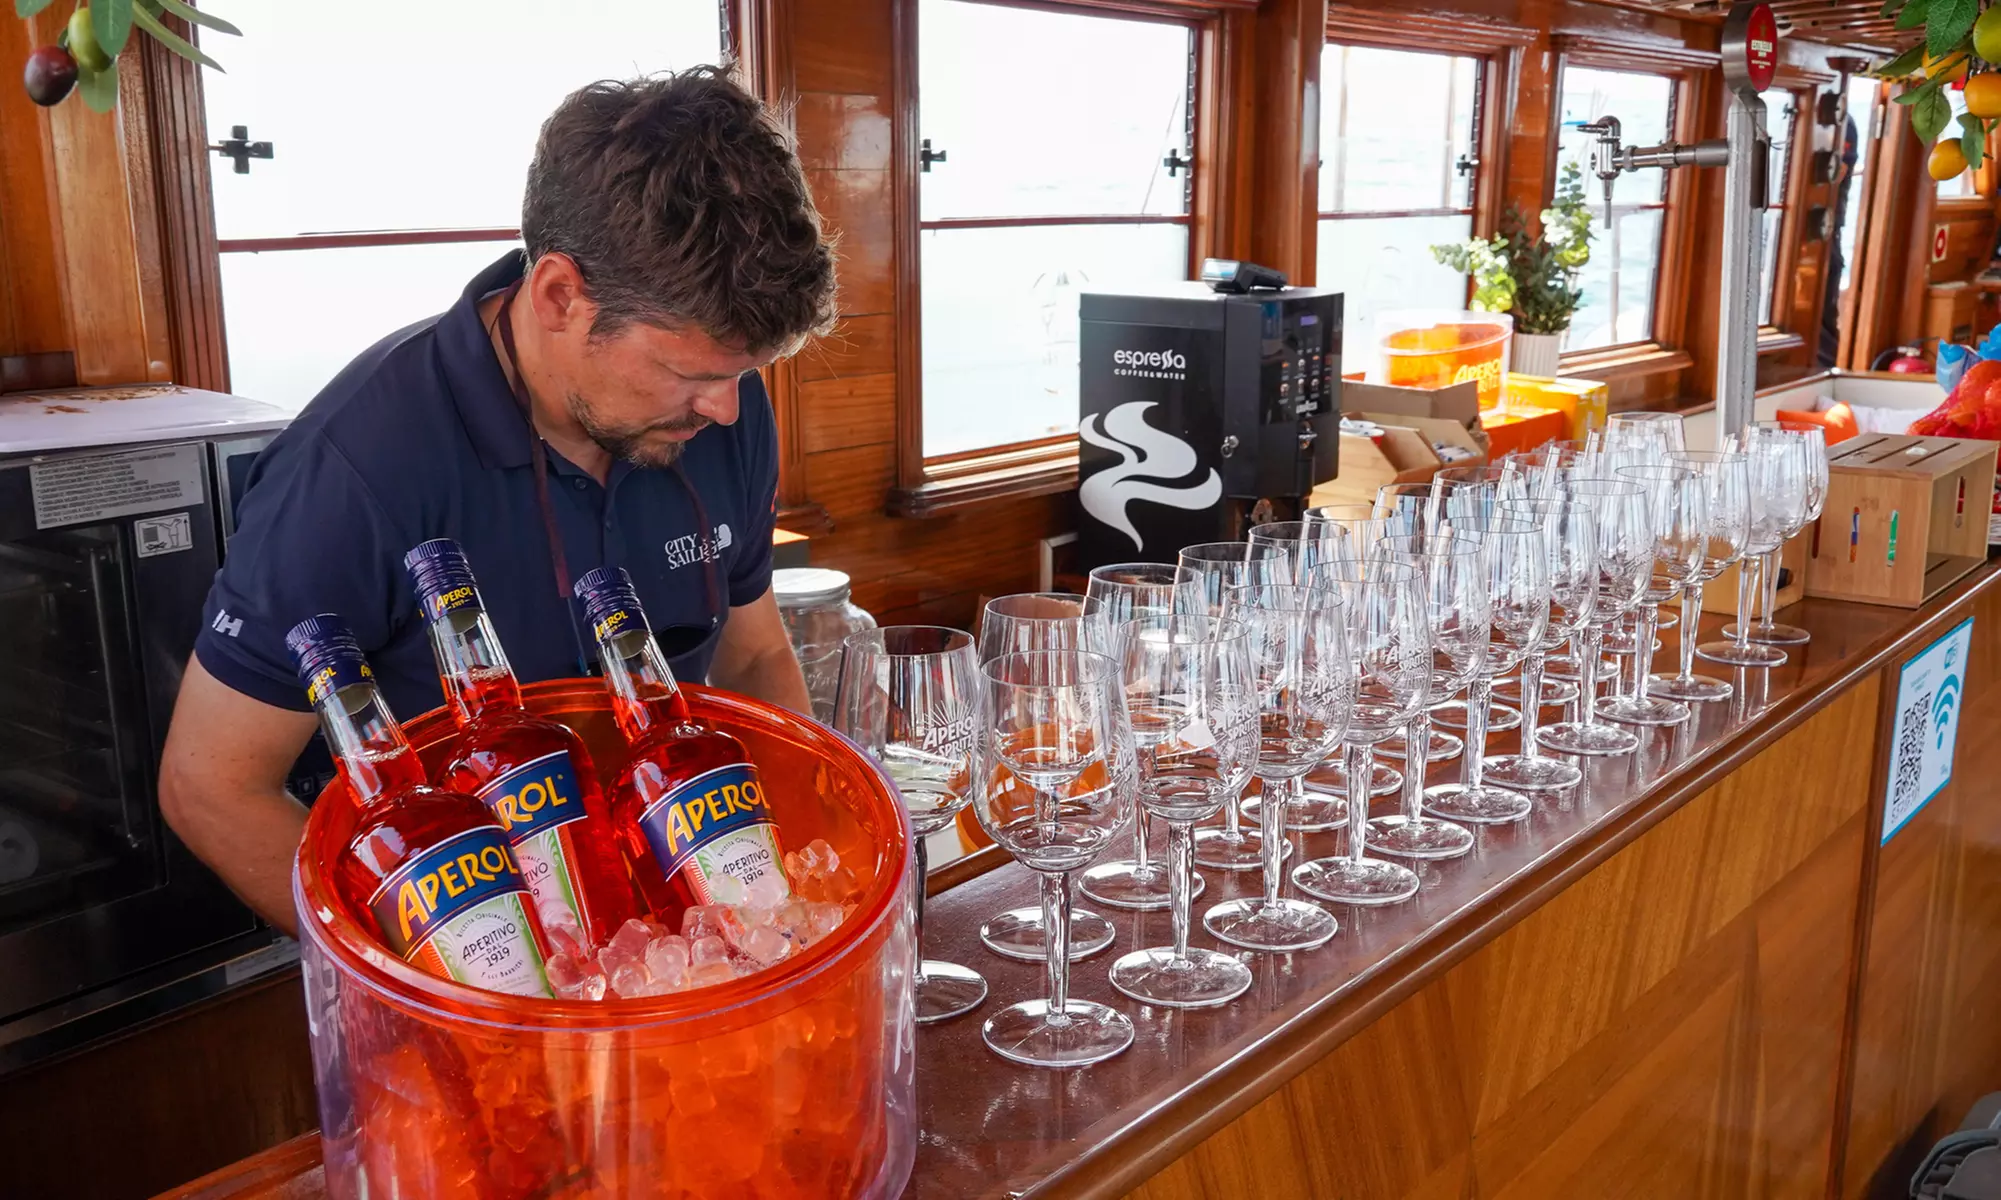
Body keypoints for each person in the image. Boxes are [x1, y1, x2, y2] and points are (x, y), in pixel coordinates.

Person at [158, 68, 838, 935]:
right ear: (559, 296)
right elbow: (211, 785)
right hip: (471, 944)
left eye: (746, 372)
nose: (728, 409)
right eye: (688, 371)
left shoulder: (717, 410)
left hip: (689, 921)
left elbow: (752, 657)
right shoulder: (357, 468)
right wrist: (432, 983)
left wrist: (801, 904)